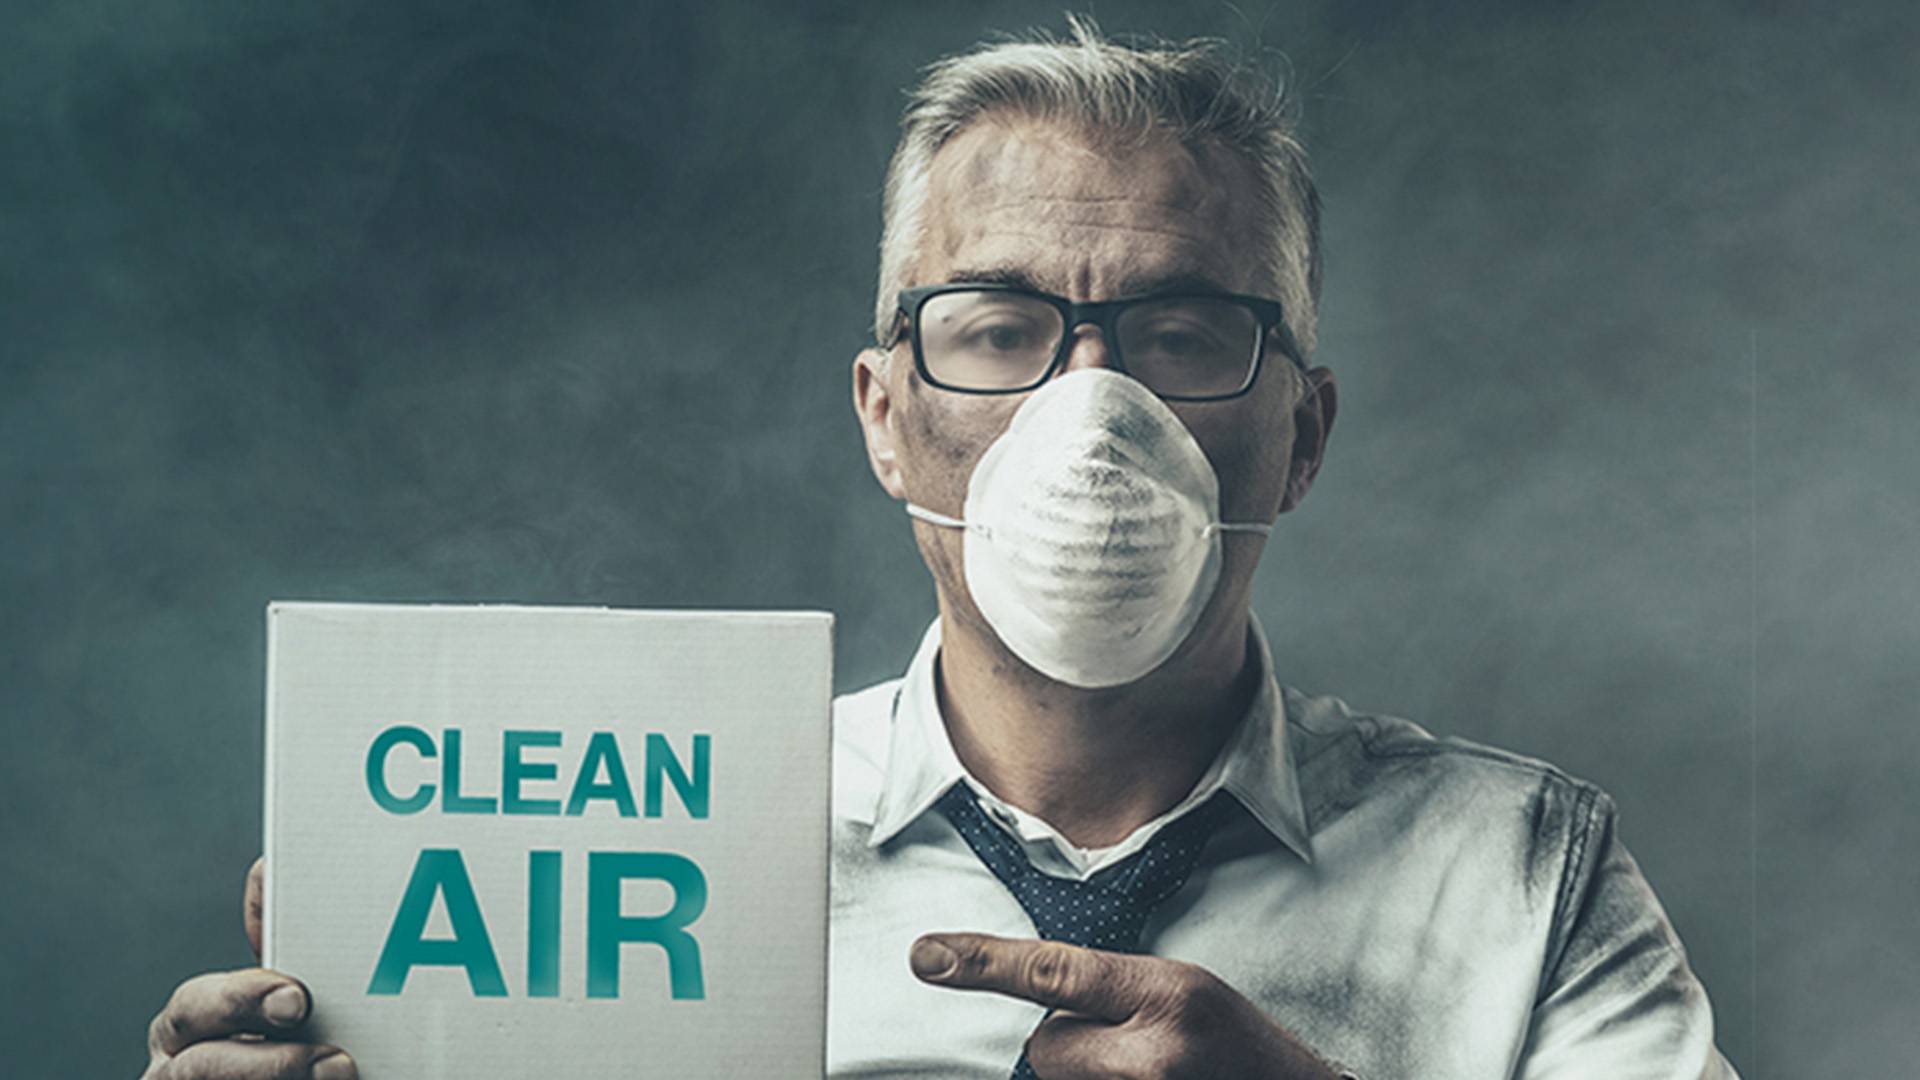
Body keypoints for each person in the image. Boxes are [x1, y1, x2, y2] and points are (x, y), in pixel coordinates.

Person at [140, 18, 1737, 1080]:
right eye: (998, 329)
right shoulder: (616, 862)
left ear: (1301, 434)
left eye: (1183, 331)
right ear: (887, 416)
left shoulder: (1526, 880)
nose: (1090, 409)